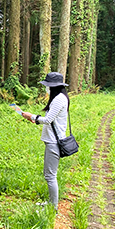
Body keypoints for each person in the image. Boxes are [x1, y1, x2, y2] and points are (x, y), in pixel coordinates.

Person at [22, 72, 70, 212]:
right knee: (49, 174)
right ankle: (51, 203)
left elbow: (48, 120)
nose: (47, 88)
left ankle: (53, 207)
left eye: (48, 86)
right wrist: (34, 118)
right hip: (53, 140)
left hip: (54, 142)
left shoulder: (59, 99)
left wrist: (32, 116)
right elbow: (50, 119)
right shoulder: (60, 97)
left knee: (50, 175)